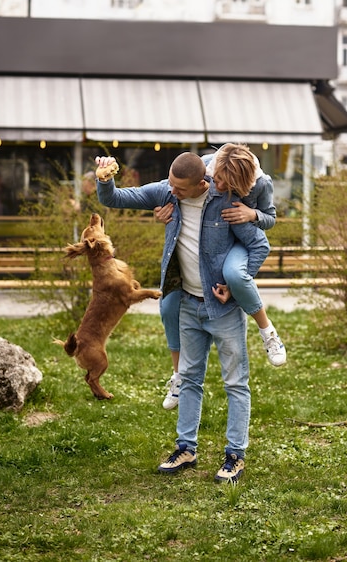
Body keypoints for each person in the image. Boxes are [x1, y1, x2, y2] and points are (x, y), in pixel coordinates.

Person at [95, 151, 269, 482]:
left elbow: (259, 242)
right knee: (188, 378)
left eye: (179, 188)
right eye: (170, 185)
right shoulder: (165, 192)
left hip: (223, 308)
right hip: (188, 303)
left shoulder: (225, 199)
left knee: (235, 382)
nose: (171, 192)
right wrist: (105, 177)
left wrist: (238, 283)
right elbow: (115, 198)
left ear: (202, 182)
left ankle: (235, 455)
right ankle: (185, 448)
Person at [156, 143, 286, 410]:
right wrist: (161, 209)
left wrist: (253, 214)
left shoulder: (262, 184)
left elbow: (270, 219)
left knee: (235, 276)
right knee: (168, 304)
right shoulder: (206, 166)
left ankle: (268, 332)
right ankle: (178, 375)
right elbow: (177, 189)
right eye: (215, 179)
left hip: (243, 238)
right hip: (216, 235)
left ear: (242, 182)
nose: (215, 186)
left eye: (223, 184)